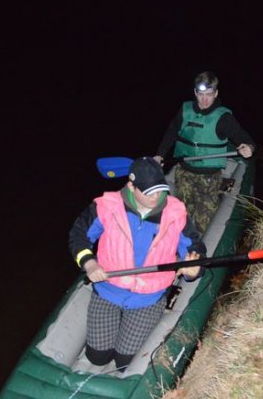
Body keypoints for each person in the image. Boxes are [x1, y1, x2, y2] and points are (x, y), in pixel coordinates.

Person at [68, 156, 205, 371]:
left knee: (126, 363)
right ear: (131, 187)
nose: (157, 197)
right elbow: (79, 236)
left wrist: (193, 270)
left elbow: (194, 248)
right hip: (108, 290)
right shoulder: (106, 206)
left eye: (160, 190)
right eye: (149, 192)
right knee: (97, 357)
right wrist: (89, 263)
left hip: (149, 297)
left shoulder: (175, 213)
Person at [154, 71, 255, 233]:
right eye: (201, 94)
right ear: (195, 92)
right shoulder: (185, 110)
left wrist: (249, 147)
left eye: (209, 94)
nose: (205, 100)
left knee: (204, 225)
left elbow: (242, 136)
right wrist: (160, 154)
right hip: (184, 173)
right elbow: (171, 132)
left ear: (216, 93)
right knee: (181, 218)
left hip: (209, 177)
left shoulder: (223, 118)